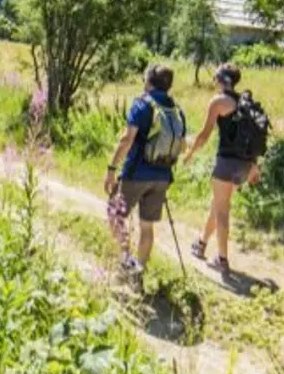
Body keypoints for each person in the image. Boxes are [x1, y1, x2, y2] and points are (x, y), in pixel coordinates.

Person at [180, 63, 268, 276]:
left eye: (215, 79)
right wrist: (254, 167)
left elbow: (204, 134)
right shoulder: (244, 102)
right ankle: (201, 243)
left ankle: (222, 259)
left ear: (220, 80)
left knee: (222, 211)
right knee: (218, 204)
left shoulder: (219, 101)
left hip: (227, 163)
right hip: (245, 165)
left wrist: (190, 153)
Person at [104, 63, 186, 278]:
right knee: (147, 227)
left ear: (149, 82)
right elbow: (182, 145)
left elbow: (127, 139)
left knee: (115, 214)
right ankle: (139, 272)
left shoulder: (142, 104)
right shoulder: (177, 110)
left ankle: (125, 260)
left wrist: (111, 169)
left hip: (136, 173)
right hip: (163, 176)